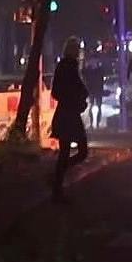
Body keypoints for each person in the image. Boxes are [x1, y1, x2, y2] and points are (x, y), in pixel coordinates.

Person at [50, 37, 90, 203]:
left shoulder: (63, 67)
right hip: (70, 114)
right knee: (80, 151)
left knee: (65, 152)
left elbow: (56, 91)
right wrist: (76, 98)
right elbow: (77, 89)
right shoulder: (71, 68)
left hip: (64, 114)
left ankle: (56, 183)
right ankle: (56, 183)